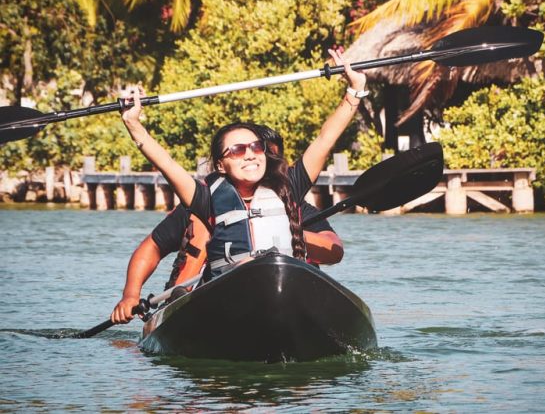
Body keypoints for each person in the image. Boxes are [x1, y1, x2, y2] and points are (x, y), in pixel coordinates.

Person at [111, 49, 368, 324]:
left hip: (282, 287)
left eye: (256, 147)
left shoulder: (289, 187)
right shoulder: (205, 198)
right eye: (237, 150)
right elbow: (165, 162)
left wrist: (355, 90)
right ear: (221, 164)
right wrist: (133, 122)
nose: (249, 154)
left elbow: (324, 140)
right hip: (227, 296)